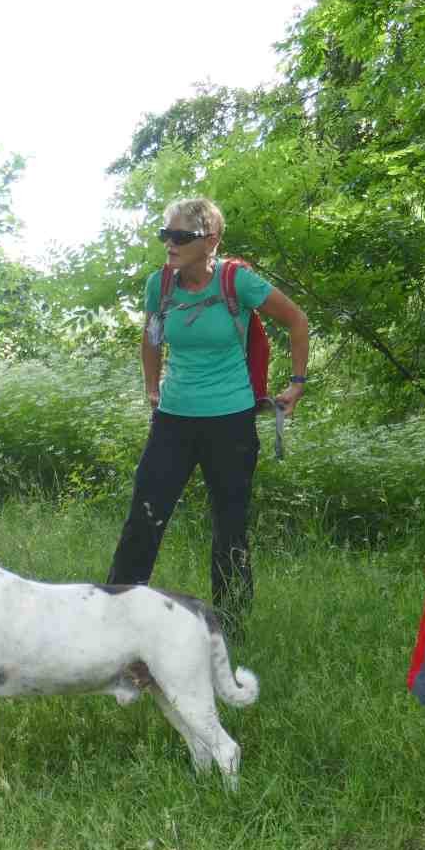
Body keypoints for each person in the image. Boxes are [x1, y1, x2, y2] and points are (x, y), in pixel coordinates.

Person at [107, 196, 309, 633]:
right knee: (144, 515)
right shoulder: (158, 286)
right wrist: (151, 386)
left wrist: (297, 383)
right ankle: (114, 617)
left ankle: (230, 626)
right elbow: (151, 339)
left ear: (210, 240)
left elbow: (297, 321)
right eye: (166, 234)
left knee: (229, 524)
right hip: (173, 421)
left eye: (181, 236)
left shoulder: (238, 283)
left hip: (231, 421)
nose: (170, 244)